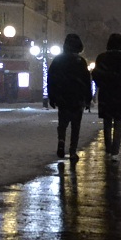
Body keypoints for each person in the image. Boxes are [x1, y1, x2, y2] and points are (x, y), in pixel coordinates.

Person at [91, 33, 121, 161]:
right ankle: (115, 150)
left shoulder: (102, 58)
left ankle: (108, 148)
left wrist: (102, 84)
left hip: (106, 94)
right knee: (118, 122)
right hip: (120, 94)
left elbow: (95, 74)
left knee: (107, 122)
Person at [48, 33, 93, 161]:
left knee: (62, 123)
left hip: (62, 96)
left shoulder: (58, 60)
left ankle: (61, 141)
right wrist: (88, 98)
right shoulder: (81, 61)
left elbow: (51, 79)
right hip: (77, 98)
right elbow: (86, 81)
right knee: (75, 125)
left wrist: (52, 96)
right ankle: (73, 151)